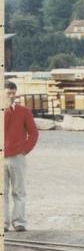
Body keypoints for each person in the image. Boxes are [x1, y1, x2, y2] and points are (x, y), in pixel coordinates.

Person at [4, 81, 39, 232]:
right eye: (8, 93)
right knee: (2, 192)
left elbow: (33, 132)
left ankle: (19, 222)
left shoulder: (24, 111)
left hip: (18, 157)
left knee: (19, 191)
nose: (12, 96)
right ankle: (3, 223)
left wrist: (25, 150)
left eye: (13, 93)